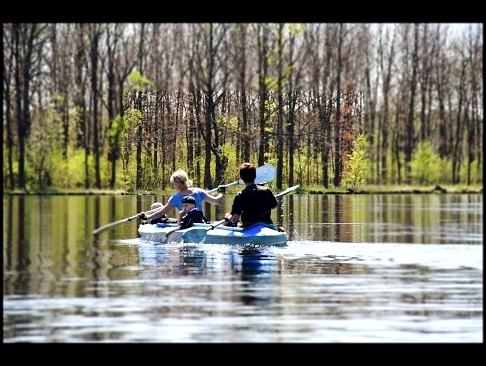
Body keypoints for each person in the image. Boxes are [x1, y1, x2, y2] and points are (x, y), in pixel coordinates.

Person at [143, 168, 225, 223]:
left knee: (157, 208)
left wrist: (147, 217)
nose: (173, 186)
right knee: (157, 206)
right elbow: (216, 201)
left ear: (178, 184)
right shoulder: (198, 191)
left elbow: (161, 213)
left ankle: (150, 222)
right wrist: (222, 192)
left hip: (185, 223)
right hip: (200, 222)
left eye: (173, 184)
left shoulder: (176, 198)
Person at [223, 162, 278, 228]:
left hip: (249, 227)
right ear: (255, 176)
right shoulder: (267, 190)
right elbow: (274, 205)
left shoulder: (240, 195)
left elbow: (235, 219)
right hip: (267, 226)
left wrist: (228, 216)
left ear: (241, 178)